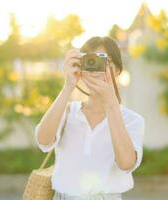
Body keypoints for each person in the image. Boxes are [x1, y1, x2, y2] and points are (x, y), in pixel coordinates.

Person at [35, 36, 145, 200]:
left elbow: (126, 164)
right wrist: (68, 86)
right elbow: (43, 140)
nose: (95, 68)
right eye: (90, 61)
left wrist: (111, 104)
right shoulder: (67, 111)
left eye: (103, 61)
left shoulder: (131, 120)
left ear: (116, 70)